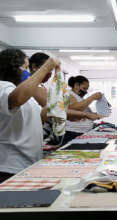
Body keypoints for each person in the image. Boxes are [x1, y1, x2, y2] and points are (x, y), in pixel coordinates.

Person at [0, 49, 59, 183]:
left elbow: (39, 116)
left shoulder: (21, 91)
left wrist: (55, 104)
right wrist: (46, 67)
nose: (28, 72)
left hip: (25, 164)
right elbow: (16, 99)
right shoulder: (2, 86)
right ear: (12, 68)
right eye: (25, 67)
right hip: (8, 167)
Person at [28, 52, 104, 145]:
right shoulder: (32, 86)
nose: (49, 74)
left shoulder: (40, 86)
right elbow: (54, 109)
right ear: (34, 67)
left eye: (51, 71)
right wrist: (86, 114)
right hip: (44, 135)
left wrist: (86, 114)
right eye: (47, 69)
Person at [63, 75, 103, 144]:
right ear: (76, 85)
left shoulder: (80, 98)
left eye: (87, 89)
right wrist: (92, 97)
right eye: (84, 88)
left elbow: (87, 115)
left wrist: (98, 114)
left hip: (79, 133)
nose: (86, 91)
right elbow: (75, 109)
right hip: (72, 133)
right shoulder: (68, 94)